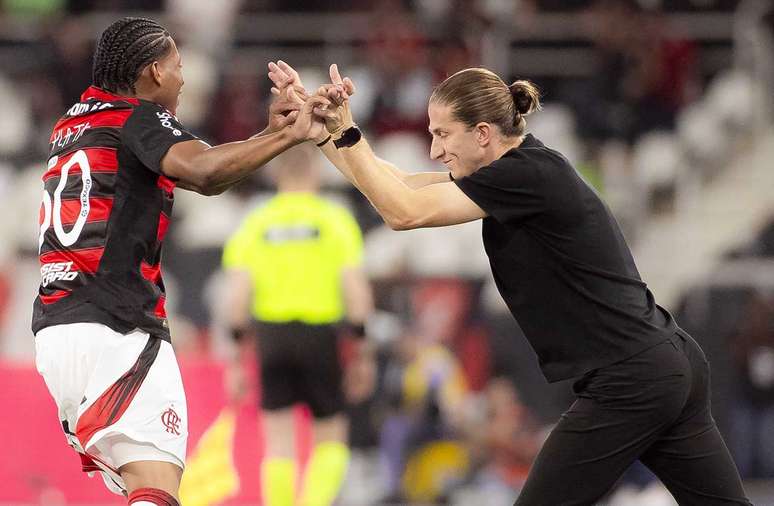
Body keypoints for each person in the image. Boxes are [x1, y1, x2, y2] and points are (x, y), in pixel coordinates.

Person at [268, 61, 752, 505]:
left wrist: (345, 135)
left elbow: (402, 211)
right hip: (668, 363)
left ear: (482, 134)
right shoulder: (523, 170)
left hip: (633, 377)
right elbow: (398, 182)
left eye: (442, 134)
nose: (435, 150)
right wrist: (330, 132)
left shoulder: (526, 175)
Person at [31, 18, 326, 506]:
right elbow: (205, 173)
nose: (184, 78)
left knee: (141, 487)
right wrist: (289, 136)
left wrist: (269, 132)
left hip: (56, 331)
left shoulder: (71, 124)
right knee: (156, 487)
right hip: (116, 327)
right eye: (178, 66)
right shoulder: (136, 115)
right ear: (154, 73)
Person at [221, 144, 373, 506]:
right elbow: (356, 293)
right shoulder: (334, 219)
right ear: (315, 174)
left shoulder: (257, 222)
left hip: (271, 335)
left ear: (276, 175)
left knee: (278, 441)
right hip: (320, 335)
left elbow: (236, 298)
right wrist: (363, 353)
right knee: (331, 436)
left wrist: (237, 360)